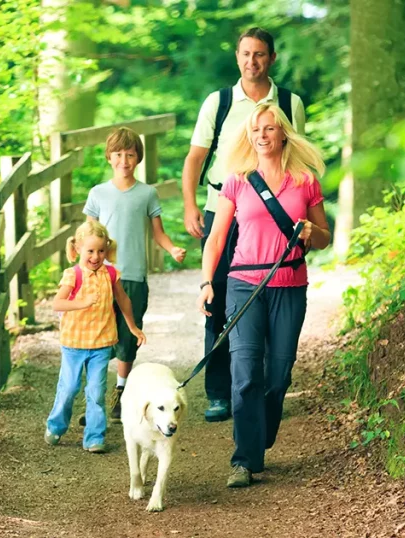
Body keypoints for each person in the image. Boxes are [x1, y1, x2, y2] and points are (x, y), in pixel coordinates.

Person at [196, 102, 330, 487]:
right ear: (249, 136)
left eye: (269, 129)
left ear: (282, 133)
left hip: (289, 286)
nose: (262, 136)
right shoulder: (237, 179)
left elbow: (323, 238)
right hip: (244, 286)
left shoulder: (305, 180)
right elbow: (217, 237)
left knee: (278, 375)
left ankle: (259, 436)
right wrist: (207, 282)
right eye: (256, 130)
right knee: (244, 374)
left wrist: (309, 232)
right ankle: (244, 459)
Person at [182, 27, 307, 423]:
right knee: (218, 298)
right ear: (237, 57)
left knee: (273, 298)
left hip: (274, 214)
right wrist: (190, 206)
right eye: (245, 54)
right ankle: (219, 392)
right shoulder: (218, 103)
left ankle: (267, 389)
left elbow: (299, 158)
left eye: (259, 54)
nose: (251, 61)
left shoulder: (289, 103)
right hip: (224, 205)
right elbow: (194, 159)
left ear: (271, 58)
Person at [84, 127, 186, 424]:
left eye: (130, 155)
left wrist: (172, 250)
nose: (124, 161)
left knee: (128, 337)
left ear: (138, 158)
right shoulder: (98, 194)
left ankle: (120, 391)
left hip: (134, 277)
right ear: (109, 157)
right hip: (102, 275)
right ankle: (94, 401)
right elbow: (88, 235)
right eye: (118, 155)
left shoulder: (147, 193)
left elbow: (158, 233)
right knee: (98, 337)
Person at [45, 221, 146, 453]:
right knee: (69, 388)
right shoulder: (73, 275)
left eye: (101, 250)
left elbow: (123, 301)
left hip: (101, 344)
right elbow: (57, 303)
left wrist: (132, 327)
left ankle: (94, 436)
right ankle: (56, 425)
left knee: (96, 392)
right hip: (74, 344)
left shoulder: (110, 273)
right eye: (90, 251)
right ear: (79, 247)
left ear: (107, 249)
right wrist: (80, 302)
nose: (96, 256)